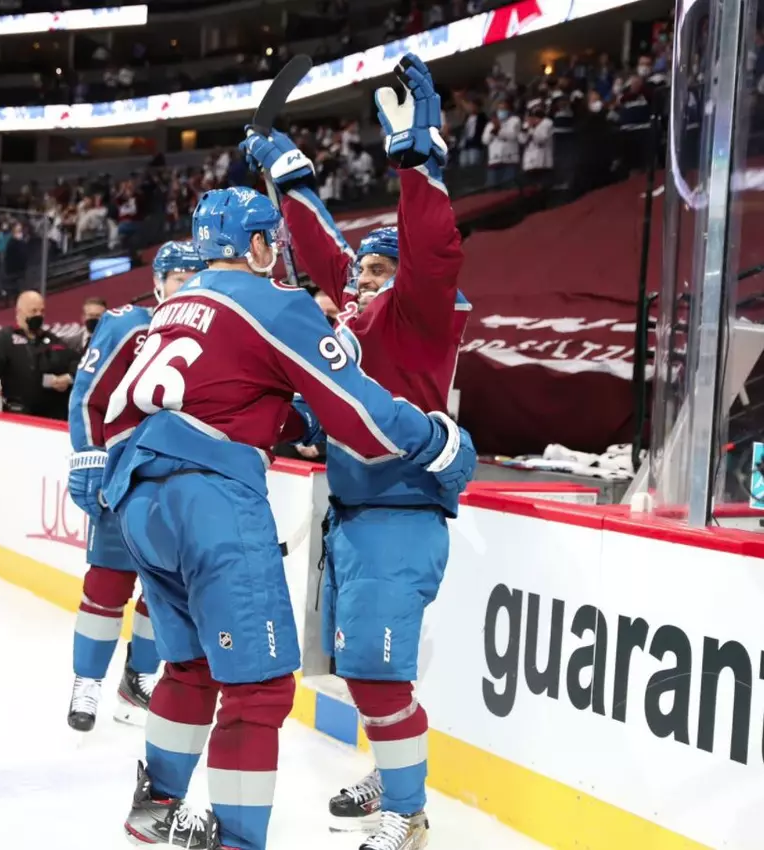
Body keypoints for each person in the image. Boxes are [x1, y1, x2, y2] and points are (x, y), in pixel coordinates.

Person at [94, 186, 474, 850]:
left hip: (138, 492)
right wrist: (436, 440)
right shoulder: (276, 302)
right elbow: (360, 416)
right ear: (260, 245)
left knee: (191, 668)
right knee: (262, 688)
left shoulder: (174, 304)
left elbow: (222, 389)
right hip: (208, 497)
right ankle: (242, 840)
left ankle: (156, 807)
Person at [242, 53, 473, 849]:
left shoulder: (416, 312)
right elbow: (326, 257)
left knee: (376, 672)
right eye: (365, 272)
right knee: (367, 672)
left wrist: (416, 162)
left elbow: (434, 253)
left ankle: (407, 812)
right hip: (356, 515)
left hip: (399, 515)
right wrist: (292, 178)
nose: (364, 281)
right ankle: (394, 769)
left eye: (380, 270)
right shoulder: (362, 318)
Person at [65, 241, 205, 732]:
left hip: (182, 483)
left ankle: (138, 678)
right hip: (124, 478)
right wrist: (88, 457)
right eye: (177, 276)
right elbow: (87, 394)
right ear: (158, 282)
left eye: (195, 274)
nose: (185, 284)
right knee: (106, 583)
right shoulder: (130, 323)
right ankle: (87, 683)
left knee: (166, 590)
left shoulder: (217, 327)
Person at [0, 291, 78, 422]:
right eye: (33, 311)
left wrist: (68, 378)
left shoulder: (52, 341)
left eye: (42, 311)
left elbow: (76, 362)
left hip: (52, 417)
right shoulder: (6, 339)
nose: (38, 315)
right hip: (19, 415)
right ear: (19, 311)